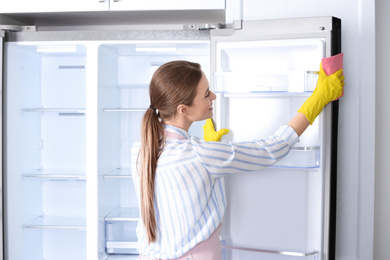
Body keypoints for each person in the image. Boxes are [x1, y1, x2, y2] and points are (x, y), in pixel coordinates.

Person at [132, 60, 344, 260]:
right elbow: (271, 149)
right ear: (183, 109)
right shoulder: (200, 154)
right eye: (206, 94)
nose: (213, 96)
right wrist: (319, 98)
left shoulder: (140, 149)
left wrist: (211, 148)